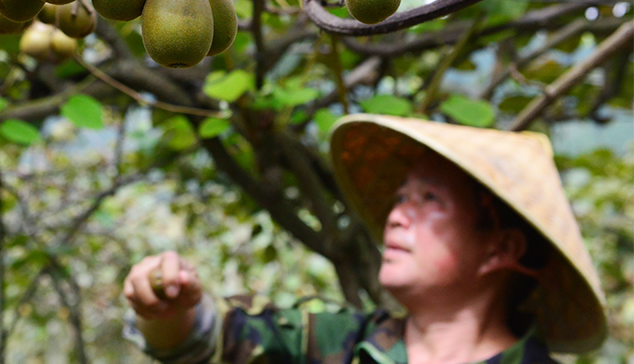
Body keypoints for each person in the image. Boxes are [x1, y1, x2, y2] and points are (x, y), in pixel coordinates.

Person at [122, 114, 607, 364]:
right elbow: (210, 342)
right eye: (401, 197)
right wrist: (166, 309)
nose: (396, 215)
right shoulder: (344, 344)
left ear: (502, 248)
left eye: (430, 199)